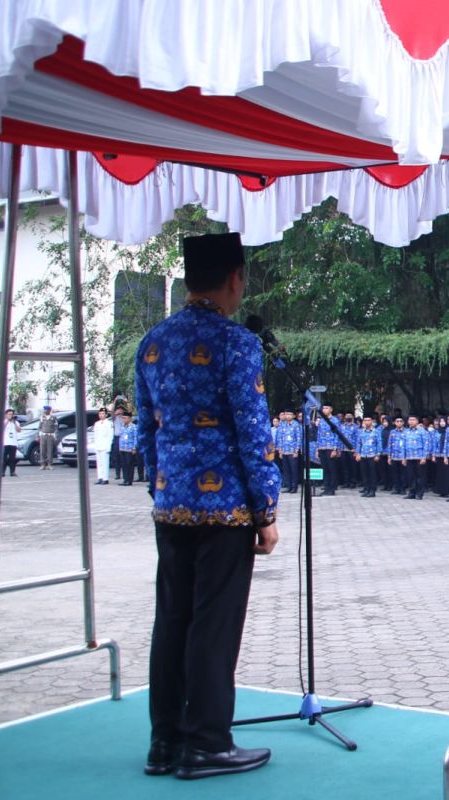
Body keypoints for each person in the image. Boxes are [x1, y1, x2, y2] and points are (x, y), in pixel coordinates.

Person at [135, 231, 279, 779]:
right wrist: (265, 511)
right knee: (213, 626)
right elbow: (252, 431)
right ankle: (207, 743)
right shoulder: (237, 343)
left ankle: (164, 741)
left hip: (170, 508)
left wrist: (161, 488)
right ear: (234, 279)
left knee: (171, 621)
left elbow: (146, 434)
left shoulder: (152, 341)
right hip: (225, 515)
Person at [314, 404, 341, 496]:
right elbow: (319, 435)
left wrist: (335, 449)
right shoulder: (321, 421)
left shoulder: (335, 420)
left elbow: (337, 435)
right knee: (325, 468)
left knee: (332, 468)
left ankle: (332, 488)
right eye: (323, 408)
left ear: (331, 409)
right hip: (322, 447)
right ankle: (326, 487)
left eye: (327, 408)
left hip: (330, 447)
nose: (324, 410)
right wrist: (317, 449)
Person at [274, 409, 302, 493]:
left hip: (292, 451)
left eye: (290, 414)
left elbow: (298, 438)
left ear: (293, 416)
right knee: (286, 470)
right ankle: (289, 486)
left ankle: (294, 487)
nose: (287, 416)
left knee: (294, 470)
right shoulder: (282, 425)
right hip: (284, 451)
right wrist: (280, 451)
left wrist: (296, 451)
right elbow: (279, 438)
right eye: (286, 414)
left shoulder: (296, 425)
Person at [355, 416, 381, 497]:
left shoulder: (376, 431)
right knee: (364, 473)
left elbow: (379, 443)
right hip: (363, 455)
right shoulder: (361, 432)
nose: (367, 422)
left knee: (372, 474)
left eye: (368, 420)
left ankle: (372, 490)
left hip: (372, 455)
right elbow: (359, 443)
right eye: (365, 420)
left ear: (372, 421)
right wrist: (358, 454)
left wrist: (378, 454)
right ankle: (366, 489)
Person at [93, 407, 114, 485]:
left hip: (105, 445)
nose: (101, 415)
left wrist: (108, 446)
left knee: (105, 463)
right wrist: (95, 446)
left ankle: (105, 478)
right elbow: (95, 436)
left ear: (106, 414)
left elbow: (110, 436)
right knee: (99, 463)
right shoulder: (97, 424)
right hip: (98, 445)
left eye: (103, 414)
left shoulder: (109, 423)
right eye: (100, 414)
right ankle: (100, 477)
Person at [1, 409, 20, 477]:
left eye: (12, 414)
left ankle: (12, 472)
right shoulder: (4, 422)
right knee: (4, 458)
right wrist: (7, 420)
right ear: (6, 415)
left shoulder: (16, 422)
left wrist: (14, 422)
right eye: (9, 414)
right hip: (5, 443)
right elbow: (2, 428)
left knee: (12, 459)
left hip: (13, 443)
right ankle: (2, 472)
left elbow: (19, 430)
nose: (11, 416)